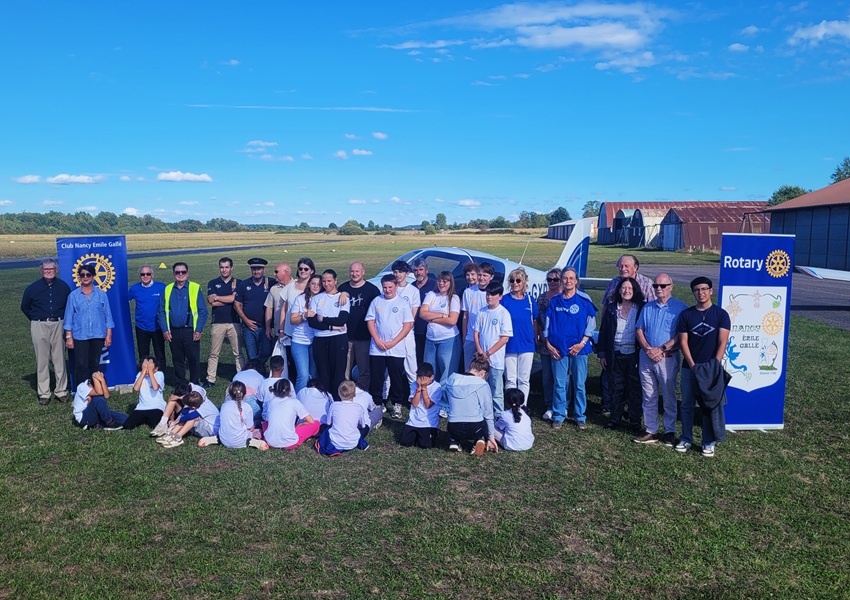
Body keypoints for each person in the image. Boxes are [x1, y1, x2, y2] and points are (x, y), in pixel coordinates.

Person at [675, 277, 731, 458]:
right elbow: (683, 342)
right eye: (697, 290)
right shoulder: (686, 315)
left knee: (709, 406)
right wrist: (692, 365)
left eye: (704, 289)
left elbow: (723, 341)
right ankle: (686, 438)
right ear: (693, 293)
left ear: (711, 291)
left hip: (711, 369)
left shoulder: (721, 315)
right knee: (686, 405)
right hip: (689, 368)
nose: (701, 292)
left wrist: (714, 364)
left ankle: (708, 442)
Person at [634, 274, 688, 446]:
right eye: (656, 285)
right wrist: (648, 348)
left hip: (667, 358)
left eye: (663, 286)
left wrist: (662, 349)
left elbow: (681, 335)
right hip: (647, 357)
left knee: (669, 395)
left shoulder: (680, 308)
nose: (659, 288)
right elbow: (639, 329)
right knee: (648, 395)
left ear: (671, 286)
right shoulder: (648, 307)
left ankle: (669, 431)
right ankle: (651, 430)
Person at [600, 254, 656, 415]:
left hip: (636, 343)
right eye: (620, 266)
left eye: (626, 266)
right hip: (615, 342)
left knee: (635, 382)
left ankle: (634, 414)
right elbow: (606, 307)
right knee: (610, 376)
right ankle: (610, 407)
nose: (623, 269)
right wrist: (605, 329)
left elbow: (651, 313)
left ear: (635, 267)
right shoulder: (613, 283)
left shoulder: (647, 284)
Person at [545, 267, 597, 431]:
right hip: (558, 349)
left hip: (579, 349)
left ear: (576, 281)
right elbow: (547, 324)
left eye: (571, 278)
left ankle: (580, 415)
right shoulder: (554, 301)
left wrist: (582, 343)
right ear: (561, 281)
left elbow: (591, 324)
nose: (568, 281)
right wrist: (548, 344)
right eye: (565, 278)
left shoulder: (584, 299)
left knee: (579, 383)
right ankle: (559, 414)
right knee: (559, 384)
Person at [597, 277, 646, 432]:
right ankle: (615, 418)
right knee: (616, 387)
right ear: (619, 290)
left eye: (630, 288)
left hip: (634, 354)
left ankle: (635, 420)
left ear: (635, 290)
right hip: (615, 353)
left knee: (635, 388)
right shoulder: (612, 308)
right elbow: (604, 332)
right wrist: (603, 354)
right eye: (624, 288)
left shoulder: (641, 308)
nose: (626, 291)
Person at [21, 258, 71, 405]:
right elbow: (25, 306)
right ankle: (44, 393)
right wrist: (36, 319)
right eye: (46, 270)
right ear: (41, 271)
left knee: (59, 359)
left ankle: (61, 391)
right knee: (42, 360)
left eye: (51, 269)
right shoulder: (32, 288)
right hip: (39, 324)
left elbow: (68, 306)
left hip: (59, 324)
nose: (49, 272)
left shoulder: (63, 287)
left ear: (56, 270)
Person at [366, 274, 414, 418]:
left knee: (396, 377)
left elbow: (407, 325)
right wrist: (377, 340)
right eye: (385, 287)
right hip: (377, 348)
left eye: (390, 287)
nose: (387, 290)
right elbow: (370, 321)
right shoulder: (376, 301)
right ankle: (377, 403)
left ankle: (397, 404)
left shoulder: (403, 303)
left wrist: (394, 342)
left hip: (396, 348)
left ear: (396, 286)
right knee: (377, 377)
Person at [158, 262, 208, 385]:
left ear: (187, 273)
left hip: (190, 331)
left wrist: (198, 330)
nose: (180, 274)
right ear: (173, 274)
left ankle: (194, 383)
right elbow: (161, 312)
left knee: (193, 359)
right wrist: (165, 330)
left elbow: (203, 312)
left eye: (183, 272)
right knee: (177, 359)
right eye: (177, 272)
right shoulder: (168, 289)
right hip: (173, 331)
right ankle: (180, 384)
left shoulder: (195, 288)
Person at [64, 264, 114, 386]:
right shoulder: (73, 296)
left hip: (98, 334)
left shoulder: (101, 295)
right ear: (79, 277)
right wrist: (69, 337)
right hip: (80, 335)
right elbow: (68, 318)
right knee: (81, 365)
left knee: (94, 364)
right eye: (82, 275)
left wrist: (109, 335)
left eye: (88, 275)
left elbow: (108, 315)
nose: (85, 277)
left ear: (93, 276)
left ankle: (95, 391)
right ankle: (80, 393)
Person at [420, 270, 461, 413]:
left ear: (450, 283)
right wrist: (441, 315)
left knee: (446, 372)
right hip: (431, 340)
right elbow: (422, 313)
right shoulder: (432, 295)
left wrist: (431, 318)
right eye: (440, 280)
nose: (442, 283)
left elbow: (452, 320)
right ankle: (429, 400)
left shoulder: (454, 298)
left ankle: (444, 404)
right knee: (430, 371)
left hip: (448, 340)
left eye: (445, 281)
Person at [339, 261, 381, 391]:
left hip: (364, 336)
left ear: (363, 272)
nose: (354, 274)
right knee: (345, 368)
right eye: (352, 271)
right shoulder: (342, 288)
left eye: (357, 271)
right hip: (345, 336)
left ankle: (363, 393)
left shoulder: (372, 290)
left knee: (364, 369)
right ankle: (345, 392)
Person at [307, 269, 349, 399]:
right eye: (324, 281)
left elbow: (341, 320)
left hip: (338, 340)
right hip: (320, 340)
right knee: (323, 373)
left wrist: (323, 319)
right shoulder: (316, 299)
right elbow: (312, 322)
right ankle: (325, 401)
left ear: (335, 281)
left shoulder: (343, 298)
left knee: (338, 373)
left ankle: (338, 401)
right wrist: (331, 326)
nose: (326, 284)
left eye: (329, 280)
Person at [445, 353, 498, 456]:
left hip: (453, 426)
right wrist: (491, 437)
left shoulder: (451, 379)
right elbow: (488, 413)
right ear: (483, 373)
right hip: (475, 427)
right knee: (481, 424)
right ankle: (479, 439)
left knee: (455, 428)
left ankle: (454, 441)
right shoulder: (482, 384)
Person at [474, 282, 513, 414]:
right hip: (482, 360)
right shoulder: (482, 311)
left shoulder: (504, 313)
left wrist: (488, 353)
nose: (489, 297)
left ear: (500, 296)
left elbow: (504, 338)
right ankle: (481, 415)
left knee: (496, 391)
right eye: (488, 294)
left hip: (495, 360)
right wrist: (480, 352)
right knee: (480, 388)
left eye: (493, 295)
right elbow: (476, 333)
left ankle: (498, 417)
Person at [500, 268, 538, 404]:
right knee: (510, 379)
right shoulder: (504, 300)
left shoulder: (530, 300)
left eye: (518, 280)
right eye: (512, 280)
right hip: (509, 344)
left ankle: (522, 406)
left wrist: (536, 339)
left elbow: (534, 321)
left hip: (527, 344)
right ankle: (511, 406)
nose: (515, 283)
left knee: (524, 379)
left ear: (524, 282)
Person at [205, 257, 243, 389]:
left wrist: (220, 297)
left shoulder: (239, 283)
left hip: (234, 322)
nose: (224, 270)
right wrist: (230, 299)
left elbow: (235, 299)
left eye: (227, 267)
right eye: (222, 267)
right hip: (218, 322)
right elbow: (212, 301)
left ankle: (241, 377)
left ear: (231, 268)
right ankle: (210, 379)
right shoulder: (212, 282)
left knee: (238, 352)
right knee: (214, 353)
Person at [202, 381, 269, 450]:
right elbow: (250, 428)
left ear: (230, 394)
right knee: (258, 431)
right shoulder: (247, 407)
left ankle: (216, 439)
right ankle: (252, 442)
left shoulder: (224, 405)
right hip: (240, 441)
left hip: (223, 440)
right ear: (245, 394)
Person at [280, 258, 316, 383]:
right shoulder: (291, 286)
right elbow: (284, 310)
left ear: (312, 271)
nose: (303, 271)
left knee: (313, 372)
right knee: (297, 370)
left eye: (306, 269)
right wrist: (281, 330)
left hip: (313, 334)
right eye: (300, 268)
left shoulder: (316, 286)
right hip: (293, 333)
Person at [315, 381, 371, 456]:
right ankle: (361, 443)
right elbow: (363, 425)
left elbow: (328, 423)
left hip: (335, 442)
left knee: (325, 428)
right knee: (362, 428)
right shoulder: (359, 408)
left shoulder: (334, 405)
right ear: (355, 394)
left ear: (339, 393)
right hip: (353, 442)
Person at [235, 257, 274, 365]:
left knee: (266, 351)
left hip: (265, 326)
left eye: (259, 269)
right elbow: (237, 304)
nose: (256, 271)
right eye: (254, 269)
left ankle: (256, 368)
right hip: (249, 327)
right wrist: (246, 320)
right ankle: (256, 373)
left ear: (264, 270)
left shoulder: (271, 283)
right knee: (251, 355)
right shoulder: (243, 284)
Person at [263, 379, 320, 449]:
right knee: (316, 424)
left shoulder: (271, 402)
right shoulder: (295, 402)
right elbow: (311, 421)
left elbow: (269, 420)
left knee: (265, 423)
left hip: (270, 442)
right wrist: (300, 424)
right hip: (289, 443)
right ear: (290, 391)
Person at [152, 382, 220, 441]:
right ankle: (163, 425)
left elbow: (191, 415)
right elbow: (184, 411)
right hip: (199, 417)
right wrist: (173, 419)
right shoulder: (191, 394)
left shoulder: (203, 403)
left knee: (190, 418)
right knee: (176, 404)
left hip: (210, 429)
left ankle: (177, 437)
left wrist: (178, 420)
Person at [391, 260, 420, 396]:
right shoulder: (390, 288)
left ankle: (413, 395)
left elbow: (413, 314)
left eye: (401, 272)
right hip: (391, 334)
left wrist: (406, 329)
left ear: (407, 273)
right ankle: (387, 396)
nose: (398, 275)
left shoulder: (413, 291)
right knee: (389, 367)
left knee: (411, 366)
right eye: (395, 272)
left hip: (407, 333)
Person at [128, 264, 166, 365]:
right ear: (139, 276)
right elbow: (124, 303)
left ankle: (161, 376)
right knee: (143, 355)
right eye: (142, 274)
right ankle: (144, 377)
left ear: (152, 275)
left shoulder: (161, 287)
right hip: (141, 327)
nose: (145, 276)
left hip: (157, 327)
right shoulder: (134, 288)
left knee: (160, 354)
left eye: (148, 274)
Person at [289, 274, 321, 393]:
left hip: (316, 341)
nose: (316, 286)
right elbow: (292, 320)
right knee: (303, 375)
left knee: (313, 374)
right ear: (309, 285)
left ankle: (310, 399)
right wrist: (304, 316)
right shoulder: (300, 299)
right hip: (300, 341)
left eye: (319, 284)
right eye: (313, 283)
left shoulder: (324, 298)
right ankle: (298, 402)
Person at [537, 268, 561, 421]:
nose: (552, 282)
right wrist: (542, 336)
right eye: (549, 279)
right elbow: (538, 319)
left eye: (555, 279)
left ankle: (562, 404)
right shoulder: (542, 298)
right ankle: (549, 405)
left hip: (559, 342)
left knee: (561, 377)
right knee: (546, 376)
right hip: (545, 342)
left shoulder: (564, 297)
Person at [400, 362, 442, 449]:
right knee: (405, 442)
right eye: (418, 376)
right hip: (414, 421)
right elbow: (415, 404)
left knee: (425, 445)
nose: (420, 379)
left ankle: (433, 433)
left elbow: (428, 405)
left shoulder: (437, 387)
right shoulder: (413, 385)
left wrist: (424, 389)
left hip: (428, 423)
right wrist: (418, 388)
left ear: (431, 378)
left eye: (423, 378)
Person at [461, 262, 494, 371]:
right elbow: (465, 316)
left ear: (491, 277)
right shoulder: (468, 292)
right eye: (479, 275)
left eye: (485, 275)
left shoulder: (493, 293)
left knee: (486, 370)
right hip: (471, 338)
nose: (481, 278)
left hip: (487, 339)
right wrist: (465, 336)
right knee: (469, 369)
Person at [124, 356, 166, 430]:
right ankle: (144, 419)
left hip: (156, 407)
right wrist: (143, 372)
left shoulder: (159, 374)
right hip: (141, 407)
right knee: (127, 425)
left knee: (155, 426)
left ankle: (147, 419)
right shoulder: (140, 374)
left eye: (149, 368)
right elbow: (136, 388)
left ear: (156, 368)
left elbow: (155, 387)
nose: (147, 371)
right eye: (145, 368)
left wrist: (150, 372)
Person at [265, 262, 293, 366]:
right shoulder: (273, 289)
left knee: (292, 361)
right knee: (278, 361)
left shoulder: (295, 287)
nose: (274, 274)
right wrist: (268, 327)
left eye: (276, 271)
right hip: (278, 333)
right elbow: (269, 308)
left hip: (292, 333)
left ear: (285, 272)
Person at [411, 258, 437, 365]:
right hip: (414, 330)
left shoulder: (435, 286)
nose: (418, 273)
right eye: (416, 270)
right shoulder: (411, 287)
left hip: (429, 330)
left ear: (426, 271)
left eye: (421, 270)